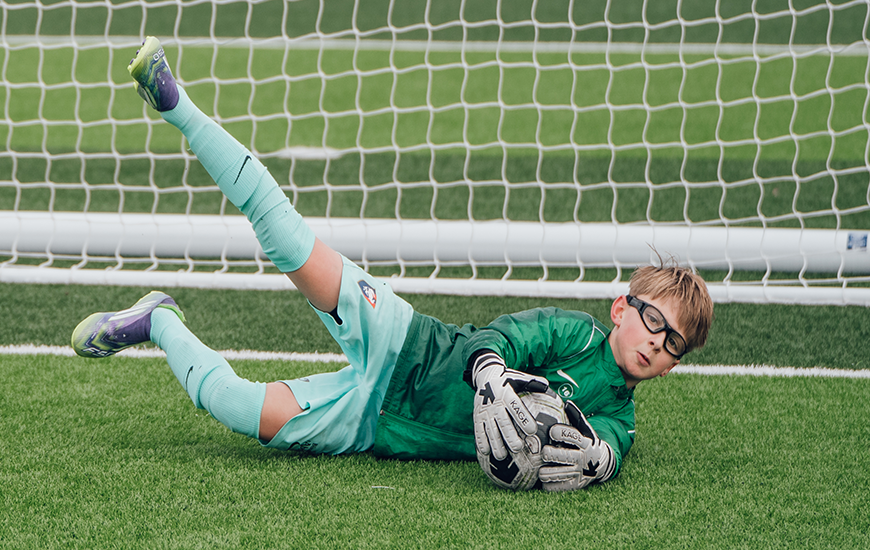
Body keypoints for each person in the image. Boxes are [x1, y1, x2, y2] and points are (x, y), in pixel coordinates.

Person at [71, 37, 713, 492]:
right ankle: (174, 101)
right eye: (655, 320)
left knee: (239, 409)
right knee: (288, 241)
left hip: (375, 428)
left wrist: (595, 458)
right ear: (622, 307)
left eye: (675, 342)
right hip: (407, 347)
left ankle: (158, 323)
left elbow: (604, 453)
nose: (658, 342)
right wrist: (491, 373)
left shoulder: (619, 420)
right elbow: (503, 336)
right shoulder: (575, 333)